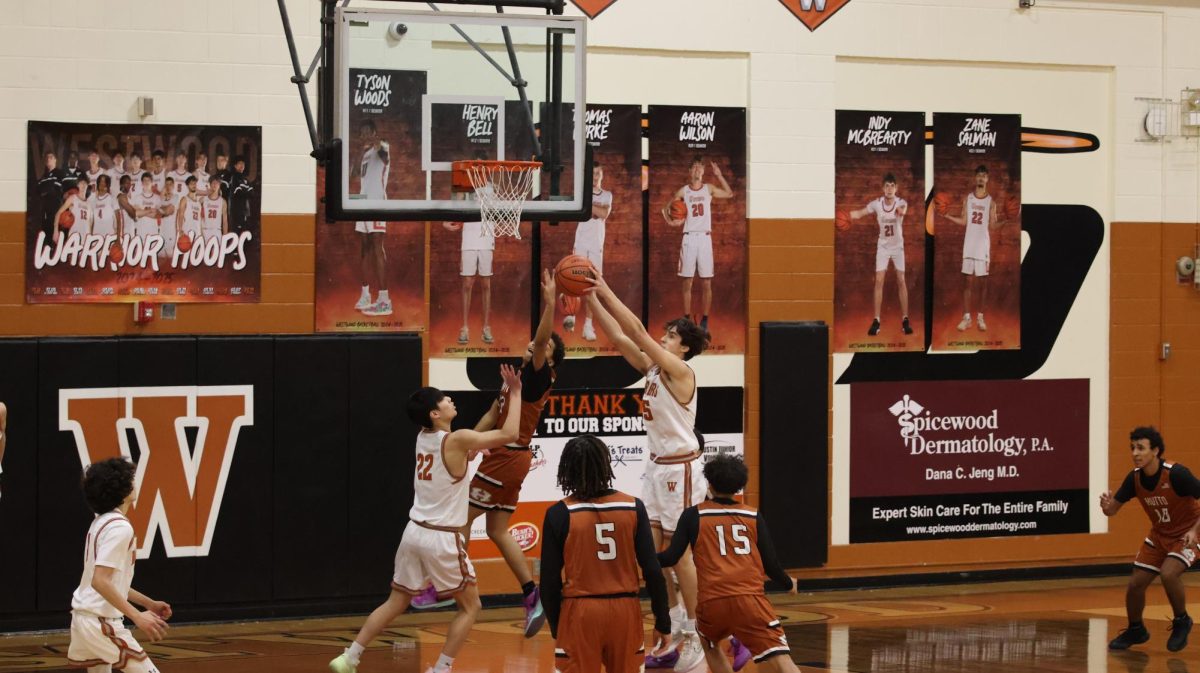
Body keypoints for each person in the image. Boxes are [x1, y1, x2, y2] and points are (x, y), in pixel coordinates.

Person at [328, 365, 524, 673]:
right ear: (434, 413)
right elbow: (510, 434)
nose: (449, 399)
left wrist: (471, 454)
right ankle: (442, 669)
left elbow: (450, 464)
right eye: (444, 399)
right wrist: (515, 392)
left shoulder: (424, 437)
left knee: (396, 601)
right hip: (442, 538)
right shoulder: (457, 439)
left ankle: (349, 656)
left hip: (414, 532)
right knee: (471, 607)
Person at [584, 273, 714, 671]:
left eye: (671, 336)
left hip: (681, 469)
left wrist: (603, 285)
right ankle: (674, 632)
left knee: (681, 556)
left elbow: (636, 331)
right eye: (666, 334)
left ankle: (696, 634)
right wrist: (588, 299)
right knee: (655, 557)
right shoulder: (654, 372)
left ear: (685, 347)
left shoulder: (682, 373)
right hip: (656, 469)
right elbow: (621, 340)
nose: (664, 339)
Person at [429, 269, 563, 633]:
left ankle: (444, 585)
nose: (536, 346)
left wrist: (550, 304)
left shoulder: (537, 378)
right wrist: (472, 441)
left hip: (508, 457)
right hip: (508, 456)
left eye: (545, 347)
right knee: (497, 529)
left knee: (461, 519)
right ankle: (532, 596)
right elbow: (491, 413)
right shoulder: (516, 382)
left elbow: (542, 339)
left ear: (549, 361)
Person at [540, 435, 673, 672]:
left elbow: (549, 582)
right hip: (625, 611)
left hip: (580, 611)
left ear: (567, 469)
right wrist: (663, 621)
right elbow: (652, 570)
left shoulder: (559, 513)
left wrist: (557, 626)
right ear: (605, 464)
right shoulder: (633, 507)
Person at [659, 455, 798, 673]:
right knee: (782, 660)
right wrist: (788, 583)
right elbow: (771, 565)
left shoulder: (693, 515)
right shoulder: (753, 516)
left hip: (711, 605)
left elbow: (670, 557)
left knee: (709, 644)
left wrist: (642, 556)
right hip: (749, 602)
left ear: (709, 483)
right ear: (740, 485)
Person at [68, 457, 171, 673]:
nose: (135, 483)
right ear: (121, 489)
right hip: (100, 622)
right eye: (131, 479)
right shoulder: (120, 528)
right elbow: (100, 581)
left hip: (84, 619)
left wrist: (148, 603)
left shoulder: (101, 522)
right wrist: (137, 616)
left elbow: (110, 582)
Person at [1102, 426, 1200, 653]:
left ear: (1155, 451)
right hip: (1159, 535)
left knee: (1168, 573)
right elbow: (1112, 510)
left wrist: (1194, 530)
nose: (1135, 453)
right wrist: (1106, 507)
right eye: (1132, 448)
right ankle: (1136, 629)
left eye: (1141, 448)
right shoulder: (1134, 478)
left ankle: (1181, 620)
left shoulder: (1176, 474)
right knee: (1135, 584)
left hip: (1189, 533)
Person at [661, 157, 733, 332]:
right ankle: (686, 319)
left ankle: (705, 321)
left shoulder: (708, 189)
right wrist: (671, 222)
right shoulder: (684, 191)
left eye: (700, 167)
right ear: (689, 171)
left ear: (703, 171)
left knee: (706, 281)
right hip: (689, 238)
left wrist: (720, 175)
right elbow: (665, 208)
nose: (697, 170)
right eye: (694, 167)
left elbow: (729, 193)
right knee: (687, 282)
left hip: (705, 238)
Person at [847, 173, 912, 336]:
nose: (889, 188)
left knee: (901, 280)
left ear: (896, 188)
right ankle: (876, 320)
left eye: (892, 185)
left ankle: (905, 319)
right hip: (883, 246)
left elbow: (904, 209)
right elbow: (860, 213)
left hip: (897, 247)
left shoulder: (901, 202)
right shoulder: (877, 204)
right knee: (879, 280)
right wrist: (844, 216)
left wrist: (901, 211)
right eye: (887, 185)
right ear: (883, 188)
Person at [943, 165, 1005, 332]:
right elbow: (964, 221)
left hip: (983, 247)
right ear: (975, 178)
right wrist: (947, 216)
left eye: (983, 176)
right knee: (967, 283)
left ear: (987, 179)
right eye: (978, 175)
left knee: (983, 284)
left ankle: (980, 317)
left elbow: (992, 225)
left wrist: (1008, 220)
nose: (980, 178)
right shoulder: (967, 199)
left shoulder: (991, 202)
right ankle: (967, 318)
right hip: (969, 246)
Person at [564, 164, 613, 341]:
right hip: (581, 241)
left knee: (592, 285)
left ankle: (588, 325)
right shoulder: (582, 192)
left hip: (596, 244)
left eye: (598, 173)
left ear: (602, 175)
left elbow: (604, 214)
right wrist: (595, 209)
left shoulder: (607, 195)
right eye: (592, 174)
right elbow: (592, 212)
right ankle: (571, 315)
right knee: (574, 279)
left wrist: (588, 206)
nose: (595, 176)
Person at [352, 120, 392, 317]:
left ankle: (384, 300)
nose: (364, 136)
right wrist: (361, 150)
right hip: (363, 204)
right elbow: (354, 175)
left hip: (377, 203)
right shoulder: (364, 155)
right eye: (362, 133)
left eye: (368, 132)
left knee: (377, 248)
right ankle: (366, 294)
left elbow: (384, 157)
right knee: (364, 250)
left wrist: (376, 144)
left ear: (375, 132)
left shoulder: (382, 147)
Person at [443, 213, 495, 345]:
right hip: (469, 238)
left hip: (487, 238)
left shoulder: (492, 193)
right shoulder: (466, 191)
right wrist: (445, 222)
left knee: (486, 284)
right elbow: (456, 204)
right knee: (467, 283)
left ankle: (486, 328)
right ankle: (465, 328)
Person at [37, 151, 67, 237]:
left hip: (57, 209)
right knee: (46, 233)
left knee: (57, 234)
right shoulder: (43, 177)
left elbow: (63, 191)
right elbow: (38, 191)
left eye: (51, 157)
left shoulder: (60, 173)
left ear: (55, 160)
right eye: (47, 158)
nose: (48, 159)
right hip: (45, 210)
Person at [53, 177, 92, 241]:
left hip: (86, 238)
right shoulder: (73, 198)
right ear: (77, 185)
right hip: (74, 236)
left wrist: (90, 238)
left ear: (87, 185)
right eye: (81, 183)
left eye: (85, 183)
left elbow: (89, 224)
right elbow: (58, 213)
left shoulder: (89, 204)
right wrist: (55, 231)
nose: (83, 185)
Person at [176, 176, 204, 250]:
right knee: (186, 255)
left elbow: (199, 220)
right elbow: (180, 215)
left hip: (197, 232)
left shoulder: (198, 203)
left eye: (195, 183)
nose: (194, 185)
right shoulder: (184, 199)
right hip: (187, 231)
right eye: (191, 184)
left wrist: (201, 234)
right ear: (187, 186)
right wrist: (180, 230)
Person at [89, 175, 120, 240]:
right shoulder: (93, 201)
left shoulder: (112, 199)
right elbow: (92, 222)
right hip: (96, 236)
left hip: (109, 236)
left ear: (107, 184)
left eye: (104, 181)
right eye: (100, 181)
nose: (102, 183)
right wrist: (90, 235)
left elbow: (118, 219)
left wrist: (118, 237)